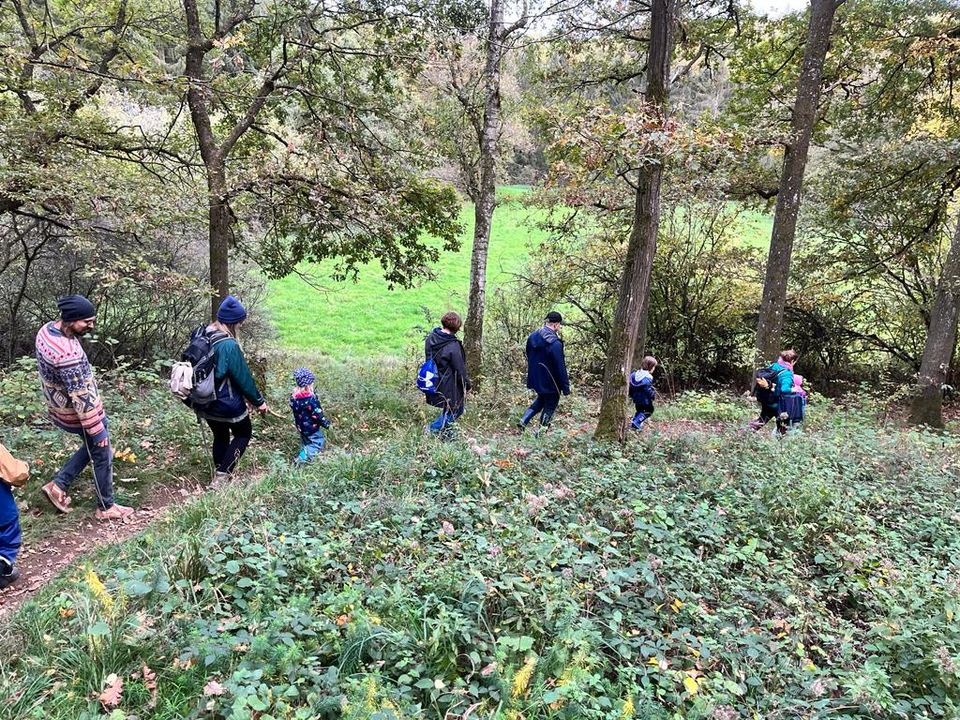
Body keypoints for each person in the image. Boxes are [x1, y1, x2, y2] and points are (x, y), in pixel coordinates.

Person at [36, 295, 134, 520]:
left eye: (92, 320)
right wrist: (96, 428)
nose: (91, 325)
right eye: (86, 321)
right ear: (70, 319)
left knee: (94, 447)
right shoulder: (66, 353)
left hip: (58, 406)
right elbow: (80, 396)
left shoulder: (47, 331)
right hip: (77, 412)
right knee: (101, 448)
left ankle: (58, 485)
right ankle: (106, 507)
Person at [193, 296, 268, 483]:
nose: (240, 326)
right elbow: (242, 378)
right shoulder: (228, 345)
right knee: (243, 433)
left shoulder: (204, 334)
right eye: (240, 323)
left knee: (220, 435)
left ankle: (220, 470)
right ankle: (222, 477)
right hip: (226, 403)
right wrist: (259, 402)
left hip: (205, 401)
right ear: (234, 323)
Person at [518, 311, 570, 431]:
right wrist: (565, 386)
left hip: (536, 378)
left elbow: (528, 355)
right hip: (551, 381)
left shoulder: (532, 336)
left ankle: (523, 420)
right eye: (560, 325)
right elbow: (560, 366)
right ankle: (540, 433)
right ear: (556, 324)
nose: (560, 327)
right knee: (550, 405)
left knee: (541, 400)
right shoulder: (555, 343)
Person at [423, 311, 470, 437]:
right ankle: (432, 429)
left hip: (434, 379)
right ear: (457, 327)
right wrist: (467, 385)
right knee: (456, 409)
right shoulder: (453, 345)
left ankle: (447, 437)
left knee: (448, 408)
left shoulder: (431, 338)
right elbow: (459, 369)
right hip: (450, 383)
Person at [749, 349, 798, 434]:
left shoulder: (775, 365)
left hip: (767, 399)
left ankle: (745, 433)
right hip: (777, 403)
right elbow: (784, 389)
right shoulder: (787, 374)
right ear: (792, 361)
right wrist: (793, 389)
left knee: (762, 419)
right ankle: (779, 443)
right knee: (782, 425)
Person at [0, 443, 28, 590]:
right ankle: (4, 571)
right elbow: (16, 474)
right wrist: (24, 466)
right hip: (2, 510)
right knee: (8, 539)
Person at [290, 367, 331, 463]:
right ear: (308, 385)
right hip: (311, 428)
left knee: (307, 443)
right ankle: (300, 460)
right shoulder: (311, 400)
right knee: (317, 442)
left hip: (301, 427)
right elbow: (317, 414)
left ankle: (309, 460)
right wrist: (326, 423)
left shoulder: (294, 398)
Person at [629, 356, 658, 431]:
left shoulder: (634, 374)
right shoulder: (648, 377)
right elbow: (647, 389)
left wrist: (631, 395)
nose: (654, 369)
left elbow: (630, 387)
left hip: (636, 398)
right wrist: (652, 395)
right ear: (650, 367)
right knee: (649, 410)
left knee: (640, 411)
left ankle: (633, 423)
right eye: (654, 367)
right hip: (645, 399)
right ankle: (636, 422)